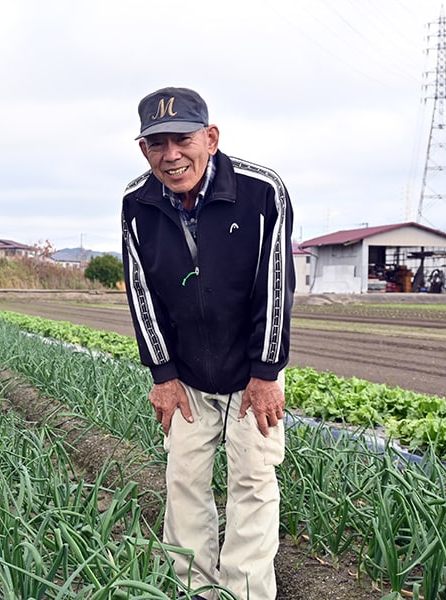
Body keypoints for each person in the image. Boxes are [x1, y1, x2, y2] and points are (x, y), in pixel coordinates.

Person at [120, 87, 295, 600]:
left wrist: (265, 374)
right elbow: (141, 292)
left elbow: (276, 285)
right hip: (187, 376)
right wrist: (162, 375)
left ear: (210, 137)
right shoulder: (138, 203)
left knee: (253, 484)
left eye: (183, 139)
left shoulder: (262, 191)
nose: (172, 155)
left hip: (250, 373)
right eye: (158, 145)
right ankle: (194, 590)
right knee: (184, 481)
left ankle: (244, 593)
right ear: (144, 150)